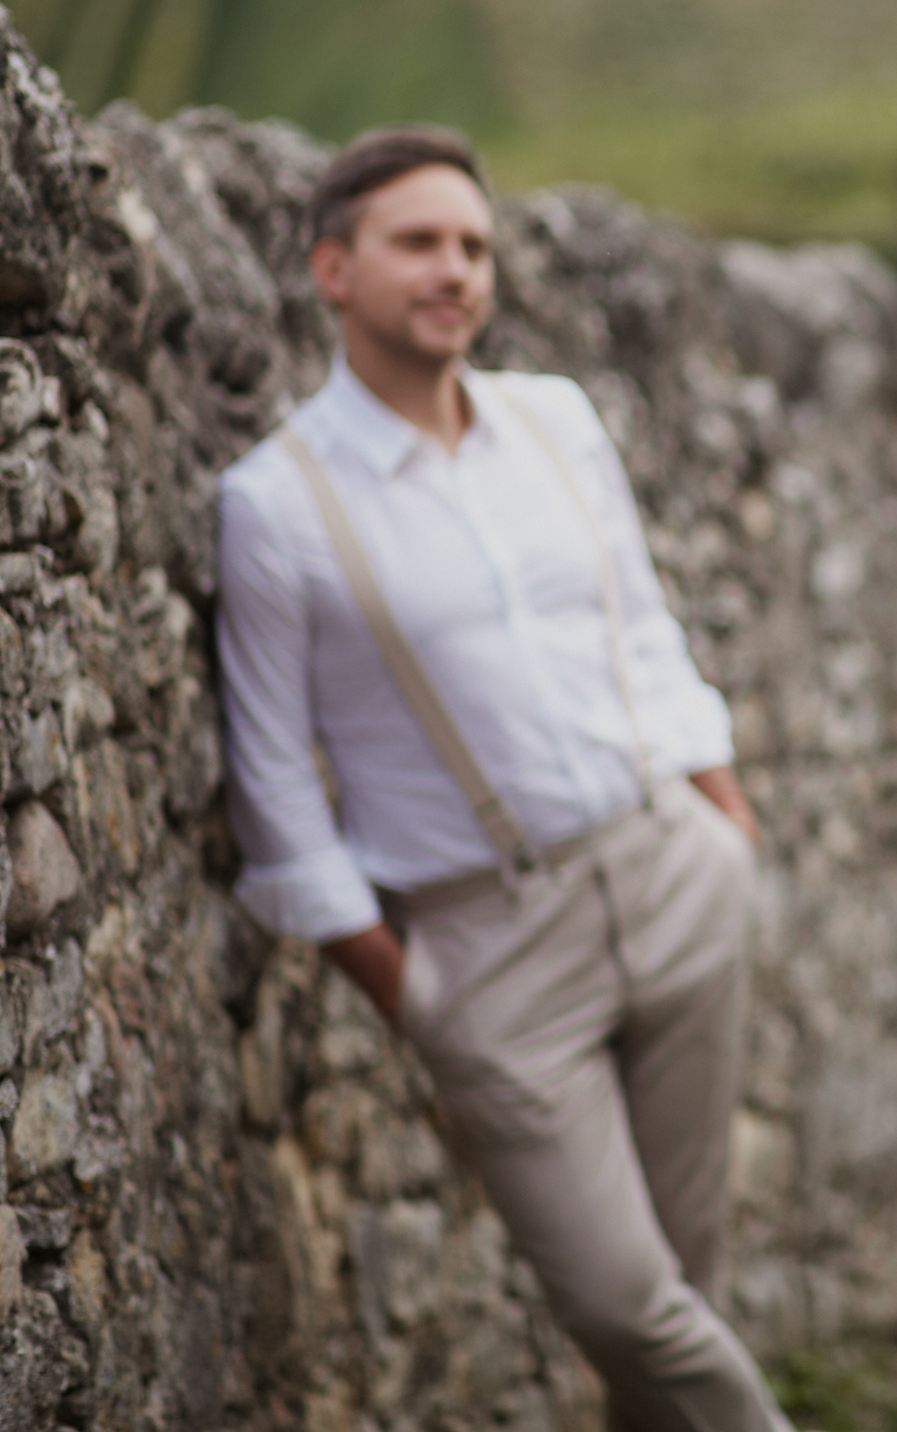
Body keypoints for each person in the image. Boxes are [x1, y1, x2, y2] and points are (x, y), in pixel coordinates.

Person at [216, 126, 795, 1432]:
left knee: (686, 1283)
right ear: (330, 268)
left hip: (672, 871)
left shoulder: (555, 421)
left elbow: (641, 624)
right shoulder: (277, 506)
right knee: (621, 1303)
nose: (455, 269)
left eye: (473, 245)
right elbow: (273, 790)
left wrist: (722, 817)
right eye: (417, 241)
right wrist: (414, 990)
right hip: (489, 945)